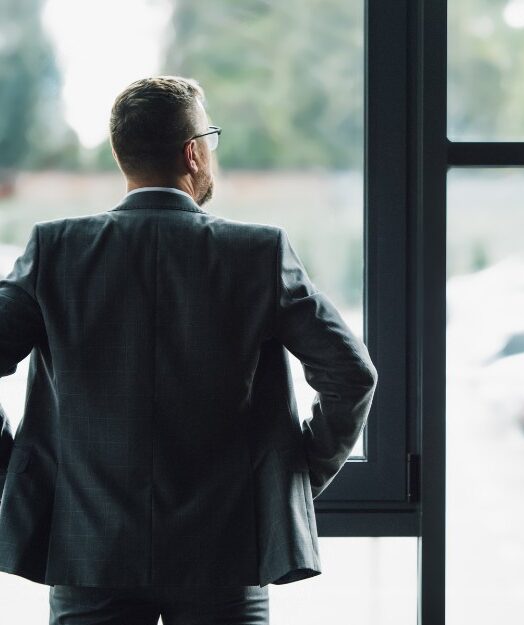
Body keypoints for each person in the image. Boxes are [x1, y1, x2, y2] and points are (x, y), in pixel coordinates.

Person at [0, 75, 378, 625]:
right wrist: (290, 476)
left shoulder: (56, 251)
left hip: (89, 551)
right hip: (224, 554)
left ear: (119, 153)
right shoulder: (258, 254)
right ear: (194, 153)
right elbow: (351, 375)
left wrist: (18, 472)